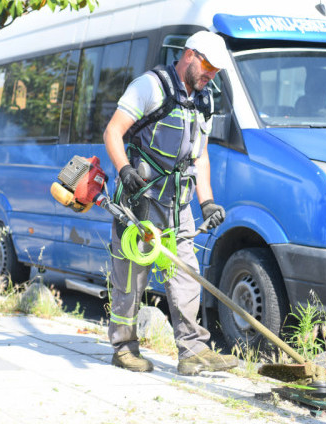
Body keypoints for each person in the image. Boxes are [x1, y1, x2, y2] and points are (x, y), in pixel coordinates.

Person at [103, 30, 238, 375]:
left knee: (186, 277)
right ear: (190, 55)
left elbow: (201, 157)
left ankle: (192, 352)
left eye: (216, 72)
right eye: (207, 67)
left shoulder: (204, 100)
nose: (210, 76)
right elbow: (113, 131)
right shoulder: (150, 87)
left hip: (178, 205)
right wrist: (124, 170)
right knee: (131, 278)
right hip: (141, 202)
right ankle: (124, 348)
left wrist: (207, 202)